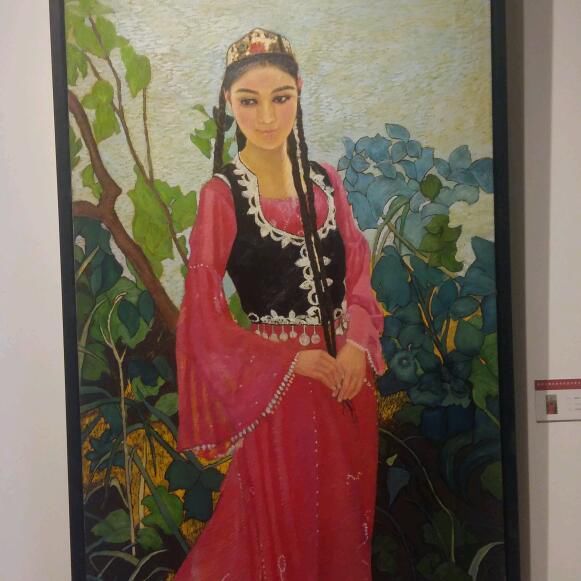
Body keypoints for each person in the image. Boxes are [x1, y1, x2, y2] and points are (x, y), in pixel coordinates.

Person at [175, 28, 386, 581]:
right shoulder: (221, 195)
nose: (267, 117)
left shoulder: (326, 181)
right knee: (281, 532)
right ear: (228, 102)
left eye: (281, 98)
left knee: (343, 530)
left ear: (299, 92)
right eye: (249, 101)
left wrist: (357, 345)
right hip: (280, 392)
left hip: (347, 382)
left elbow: (359, 275)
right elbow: (202, 316)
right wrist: (291, 360)